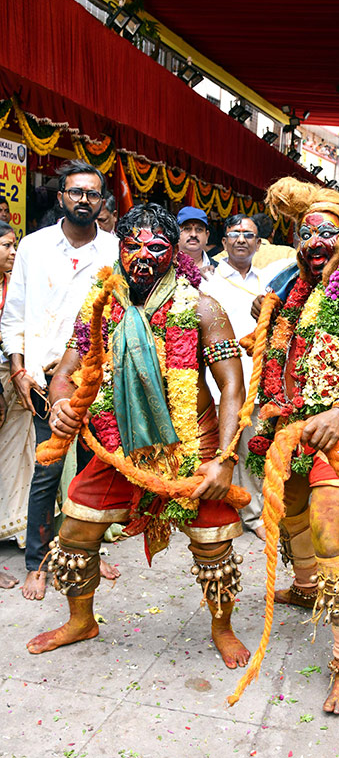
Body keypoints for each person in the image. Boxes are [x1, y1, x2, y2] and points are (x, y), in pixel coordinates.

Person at [25, 204, 250, 670]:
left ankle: (222, 627)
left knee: (214, 546)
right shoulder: (101, 303)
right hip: (120, 445)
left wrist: (225, 459)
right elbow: (67, 371)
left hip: (193, 446)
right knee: (75, 531)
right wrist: (63, 403)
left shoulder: (202, 306)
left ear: (175, 253)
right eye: (132, 246)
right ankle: (81, 621)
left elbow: (232, 386)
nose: (143, 256)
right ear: (118, 247)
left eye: (156, 247)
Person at [245, 178, 339, 714]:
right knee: (289, 512)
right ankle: (307, 586)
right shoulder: (293, 287)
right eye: (305, 233)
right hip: (290, 421)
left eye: (326, 233)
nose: (314, 242)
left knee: (332, 535)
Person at [1, 161, 119, 600]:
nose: (84, 200)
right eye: (76, 192)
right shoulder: (33, 247)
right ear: (61, 197)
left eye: (92, 193)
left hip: (98, 379)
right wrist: (18, 369)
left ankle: (85, 551)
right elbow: (13, 314)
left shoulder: (116, 251)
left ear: (102, 201)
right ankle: (38, 562)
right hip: (41, 376)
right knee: (46, 473)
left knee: (92, 468)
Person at [202, 214, 273, 540]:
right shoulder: (209, 281)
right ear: (225, 241)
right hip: (221, 382)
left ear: (259, 244)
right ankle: (222, 511)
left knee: (253, 449)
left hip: (257, 379)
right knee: (219, 448)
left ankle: (253, 512)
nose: (241, 239)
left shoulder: (268, 281)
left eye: (249, 235)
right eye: (235, 234)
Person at [0, 220, 27, 589]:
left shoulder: (12, 286)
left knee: (21, 457)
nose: (13, 252)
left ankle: (17, 527)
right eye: (7, 245)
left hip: (11, 376)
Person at [177, 206, 216, 276]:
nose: (193, 234)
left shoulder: (218, 269)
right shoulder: (165, 268)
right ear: (176, 233)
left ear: (207, 236)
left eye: (199, 229)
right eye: (187, 229)